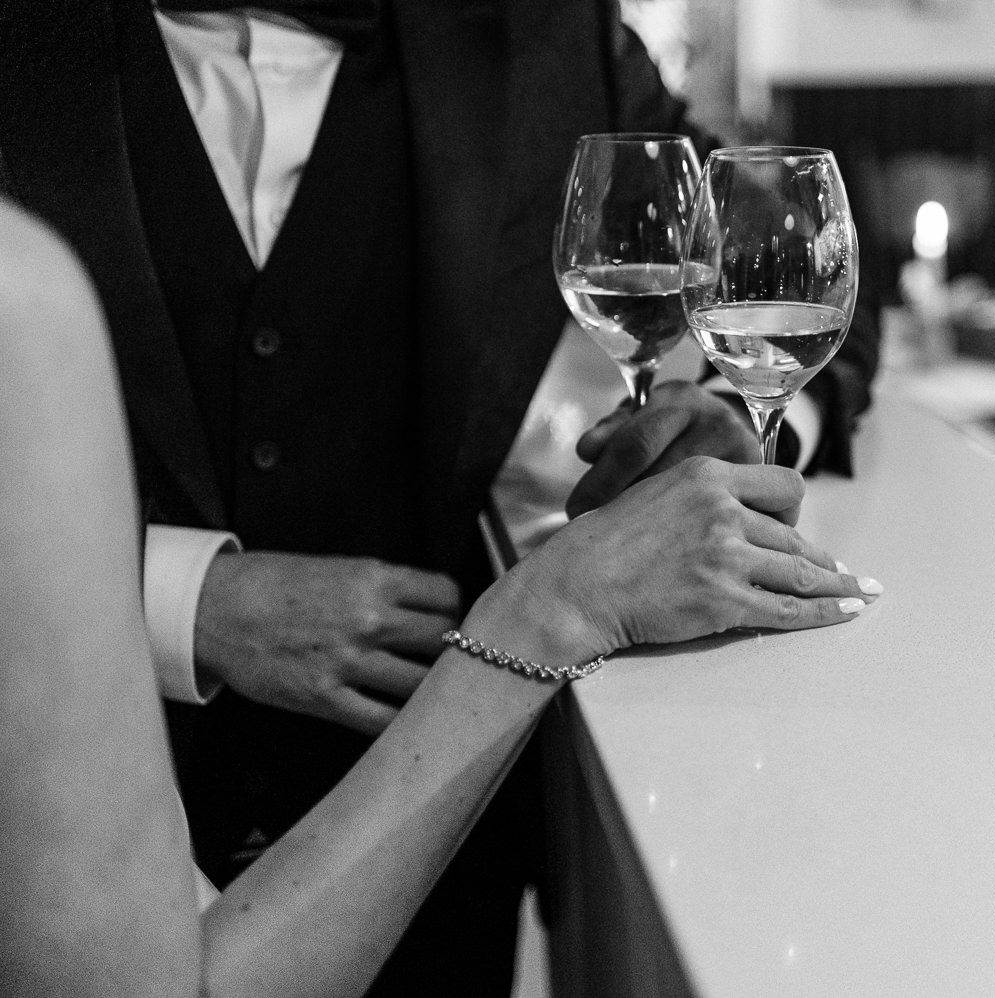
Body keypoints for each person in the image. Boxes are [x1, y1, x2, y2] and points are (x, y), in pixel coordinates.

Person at [0, 1, 879, 991]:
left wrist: (737, 409)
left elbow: (803, 232)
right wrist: (182, 600)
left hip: (446, 848)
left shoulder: (544, 35)